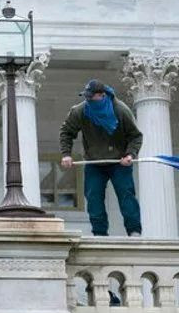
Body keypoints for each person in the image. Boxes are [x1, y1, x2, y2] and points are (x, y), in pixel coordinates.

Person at [59, 79, 144, 236]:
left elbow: (135, 136)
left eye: (92, 97)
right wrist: (66, 154)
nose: (88, 100)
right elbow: (66, 132)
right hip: (94, 162)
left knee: (126, 195)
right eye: (87, 97)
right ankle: (99, 233)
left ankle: (134, 231)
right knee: (93, 197)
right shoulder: (81, 111)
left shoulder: (120, 110)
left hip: (119, 162)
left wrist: (130, 154)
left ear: (102, 95)